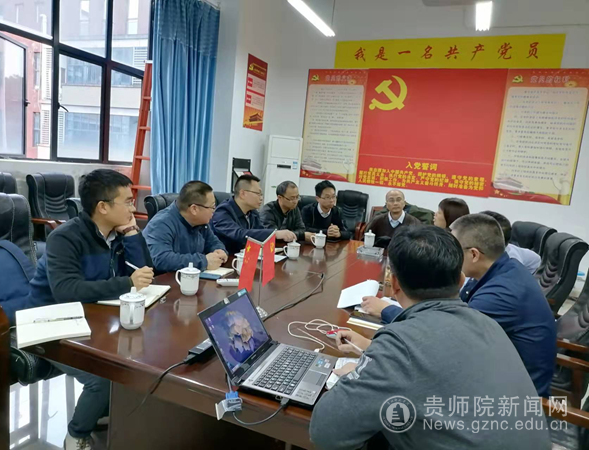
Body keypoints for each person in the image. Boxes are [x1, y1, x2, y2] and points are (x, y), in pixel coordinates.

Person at [310, 226, 550, 450]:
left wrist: (354, 376)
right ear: (461, 280)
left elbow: (324, 432)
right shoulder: (488, 324)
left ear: (395, 284)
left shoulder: (401, 343)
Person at [27, 169, 154, 449]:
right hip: (49, 322)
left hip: (93, 318)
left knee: (142, 358)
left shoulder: (116, 234)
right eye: (128, 202)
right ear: (103, 207)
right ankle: (76, 435)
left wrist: (132, 234)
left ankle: (104, 414)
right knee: (104, 377)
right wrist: (126, 283)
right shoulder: (65, 237)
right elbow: (66, 290)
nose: (133, 208)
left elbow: (145, 272)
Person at [450, 214, 556, 398]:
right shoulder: (505, 268)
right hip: (500, 375)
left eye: (453, 250)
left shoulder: (500, 294)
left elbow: (451, 340)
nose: (449, 256)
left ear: (474, 254)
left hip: (514, 400)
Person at [144, 180, 228, 273]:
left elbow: (213, 242)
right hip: (165, 279)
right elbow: (162, 260)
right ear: (194, 209)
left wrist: (219, 250)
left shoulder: (201, 222)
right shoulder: (161, 223)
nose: (214, 211)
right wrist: (204, 261)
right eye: (212, 207)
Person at [212, 175, 296, 255]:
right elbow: (239, 234)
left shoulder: (252, 212)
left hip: (248, 257)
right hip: (227, 259)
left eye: (261, 194)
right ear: (242, 194)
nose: (261, 198)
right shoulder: (222, 211)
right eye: (258, 193)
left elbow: (260, 233)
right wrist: (275, 234)